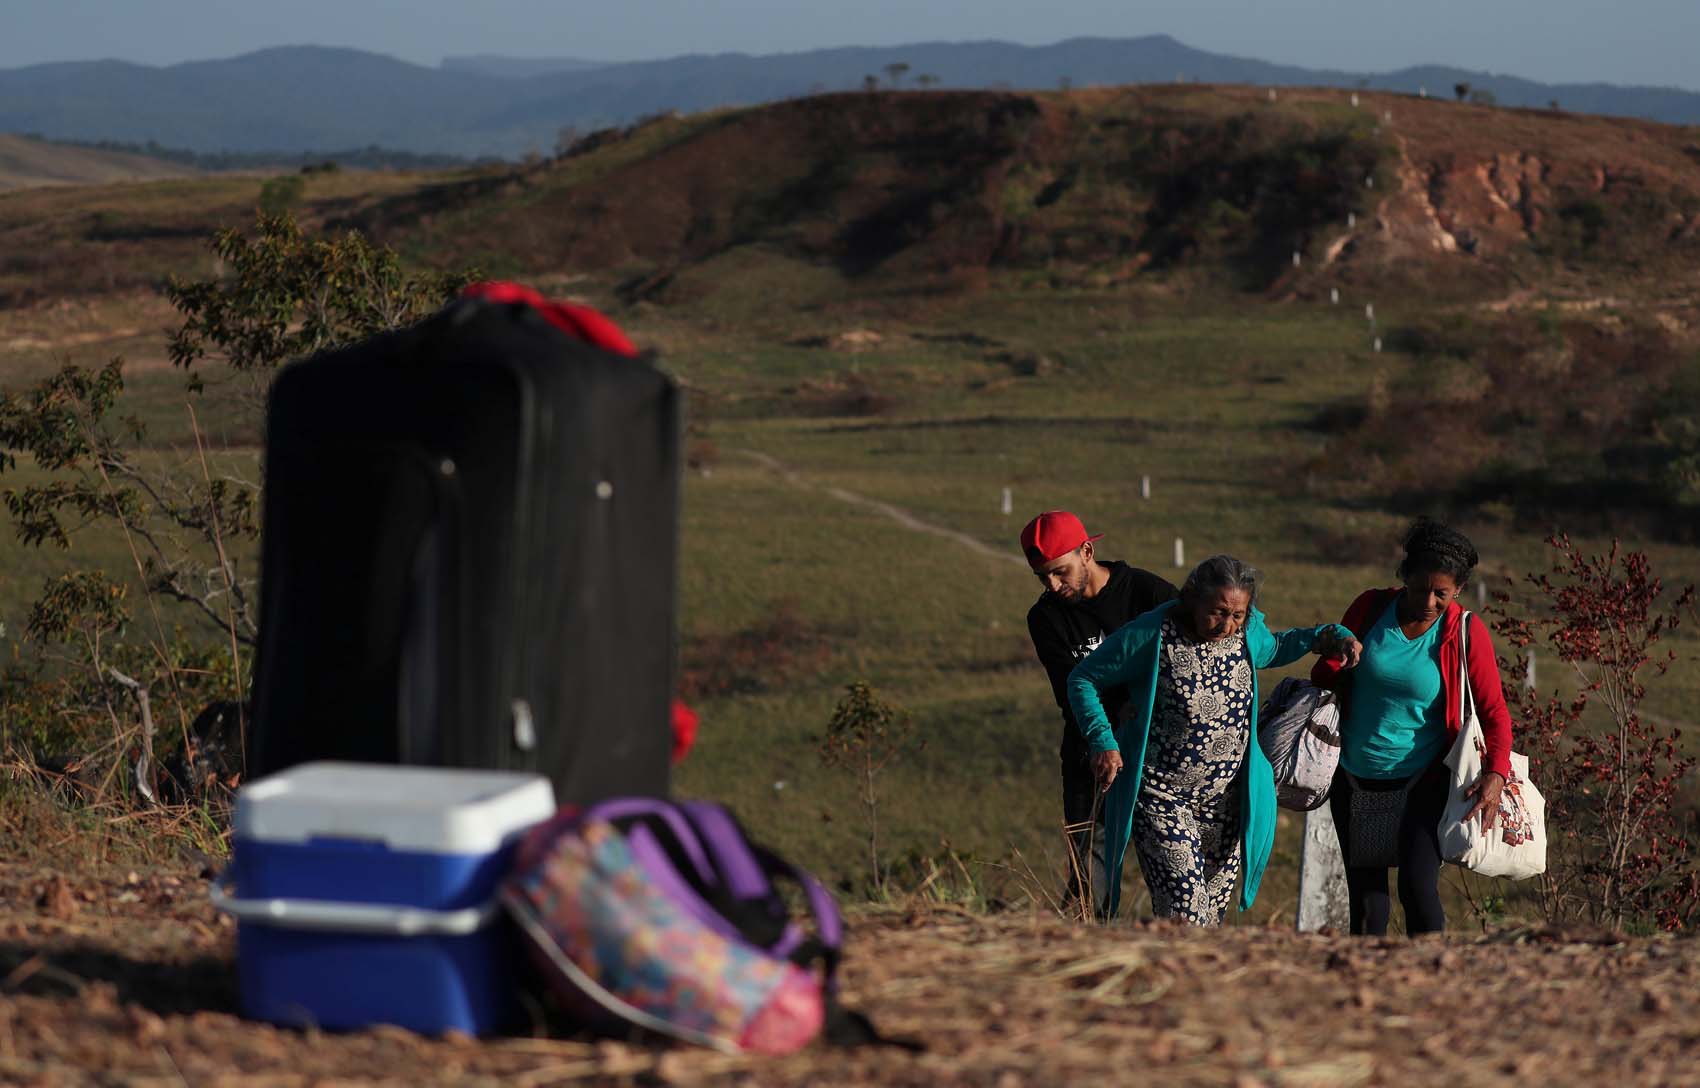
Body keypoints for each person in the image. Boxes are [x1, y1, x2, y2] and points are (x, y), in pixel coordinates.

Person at [1067, 555, 1361, 925]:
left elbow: (1276, 648)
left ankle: (1185, 982)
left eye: (1237, 615)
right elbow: (1083, 679)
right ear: (1191, 598)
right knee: (1185, 917)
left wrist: (1330, 636)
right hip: (1161, 797)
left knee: (1210, 920)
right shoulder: (1150, 635)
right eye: (1217, 612)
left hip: (1226, 803)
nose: (1227, 624)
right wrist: (1104, 741)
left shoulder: (1247, 632)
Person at [1311, 517, 1514, 936]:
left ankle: (1433, 986)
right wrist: (1337, 654)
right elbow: (1323, 676)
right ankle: (1367, 990)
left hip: (1423, 780)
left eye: (1441, 593)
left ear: (1457, 589)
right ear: (1404, 577)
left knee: (1417, 888)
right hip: (1353, 778)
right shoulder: (1369, 609)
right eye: (1420, 588)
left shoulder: (1464, 631)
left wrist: (1496, 772)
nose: (1428, 601)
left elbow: (1494, 711)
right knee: (1367, 906)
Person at [1022, 510, 1178, 917]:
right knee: (1091, 873)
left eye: (1060, 572)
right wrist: (1102, 738)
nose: (1052, 586)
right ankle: (1081, 947)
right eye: (1042, 578)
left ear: (1087, 551)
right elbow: (1068, 691)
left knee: (1173, 868)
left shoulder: (1148, 593)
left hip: (1157, 752)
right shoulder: (1045, 618)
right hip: (1089, 755)